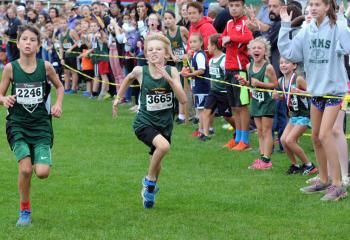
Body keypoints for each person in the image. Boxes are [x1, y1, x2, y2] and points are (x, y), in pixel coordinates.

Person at [278, 0, 350, 201]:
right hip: (315, 91)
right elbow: (290, 53)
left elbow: (347, 46)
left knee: (326, 134)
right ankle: (324, 179)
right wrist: (285, 26)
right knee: (316, 136)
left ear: (327, 7)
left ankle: (338, 185)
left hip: (333, 91)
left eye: (318, 4)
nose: (313, 8)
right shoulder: (307, 29)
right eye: (311, 4)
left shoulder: (337, 27)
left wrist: (343, 19)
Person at [112, 33, 187, 208]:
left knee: (157, 157)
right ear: (146, 54)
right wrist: (118, 98)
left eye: (158, 49)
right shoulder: (140, 71)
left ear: (166, 54)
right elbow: (127, 78)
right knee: (163, 147)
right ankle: (149, 181)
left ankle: (149, 193)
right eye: (150, 49)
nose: (154, 52)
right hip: (144, 122)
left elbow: (183, 100)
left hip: (165, 124)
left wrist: (169, 79)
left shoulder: (172, 71)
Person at [0, 25, 64, 226]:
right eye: (24, 39)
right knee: (26, 170)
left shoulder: (45, 67)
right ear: (18, 43)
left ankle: (33, 154)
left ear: (38, 44)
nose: (28, 43)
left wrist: (57, 104)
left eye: (32, 40)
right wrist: (4, 99)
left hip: (41, 126)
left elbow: (60, 86)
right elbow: (0, 94)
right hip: (17, 125)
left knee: (42, 172)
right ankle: (24, 210)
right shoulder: (11, 68)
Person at [238, 37, 278, 169]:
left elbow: (275, 85)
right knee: (259, 131)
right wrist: (246, 83)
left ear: (265, 51)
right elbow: (252, 84)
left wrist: (260, 83)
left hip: (267, 102)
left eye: (259, 48)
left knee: (266, 131)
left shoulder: (269, 68)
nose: (256, 50)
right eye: (254, 48)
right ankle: (262, 157)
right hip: (255, 102)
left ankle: (267, 160)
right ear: (249, 51)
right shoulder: (249, 66)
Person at [218, 0, 253, 150]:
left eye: (237, 5)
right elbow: (220, 39)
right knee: (234, 106)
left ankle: (245, 140)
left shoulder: (246, 22)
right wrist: (223, 40)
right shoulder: (228, 23)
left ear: (243, 7)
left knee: (242, 106)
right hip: (228, 68)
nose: (233, 8)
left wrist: (231, 38)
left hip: (240, 70)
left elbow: (249, 38)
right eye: (231, 6)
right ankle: (237, 137)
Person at [275, 57, 318, 175]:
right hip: (293, 116)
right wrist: (277, 96)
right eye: (281, 63)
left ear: (294, 66)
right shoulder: (280, 81)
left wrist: (301, 92)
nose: (283, 65)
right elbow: (284, 95)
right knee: (283, 140)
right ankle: (295, 165)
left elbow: (313, 93)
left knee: (290, 140)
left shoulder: (298, 79)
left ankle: (309, 165)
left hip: (304, 115)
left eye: (287, 63)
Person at [200, 34, 235, 141]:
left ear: (214, 46)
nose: (207, 47)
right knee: (206, 111)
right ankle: (205, 135)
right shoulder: (211, 61)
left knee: (227, 116)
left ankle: (239, 130)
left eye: (209, 45)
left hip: (223, 93)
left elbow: (229, 77)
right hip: (213, 91)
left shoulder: (224, 60)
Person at [181, 33, 210, 137]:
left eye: (195, 42)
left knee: (202, 110)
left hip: (202, 86)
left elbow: (201, 70)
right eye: (190, 42)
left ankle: (202, 131)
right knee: (199, 109)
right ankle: (200, 129)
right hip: (197, 86)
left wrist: (189, 74)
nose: (192, 44)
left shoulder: (200, 55)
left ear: (201, 43)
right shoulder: (195, 55)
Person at [163, 10, 188, 124]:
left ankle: (186, 115)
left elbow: (192, 43)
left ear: (174, 19)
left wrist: (186, 55)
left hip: (187, 62)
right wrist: (172, 56)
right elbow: (168, 47)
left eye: (170, 18)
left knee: (186, 88)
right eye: (165, 18)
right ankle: (181, 115)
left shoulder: (181, 29)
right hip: (177, 63)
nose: (168, 20)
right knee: (178, 87)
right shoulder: (166, 32)